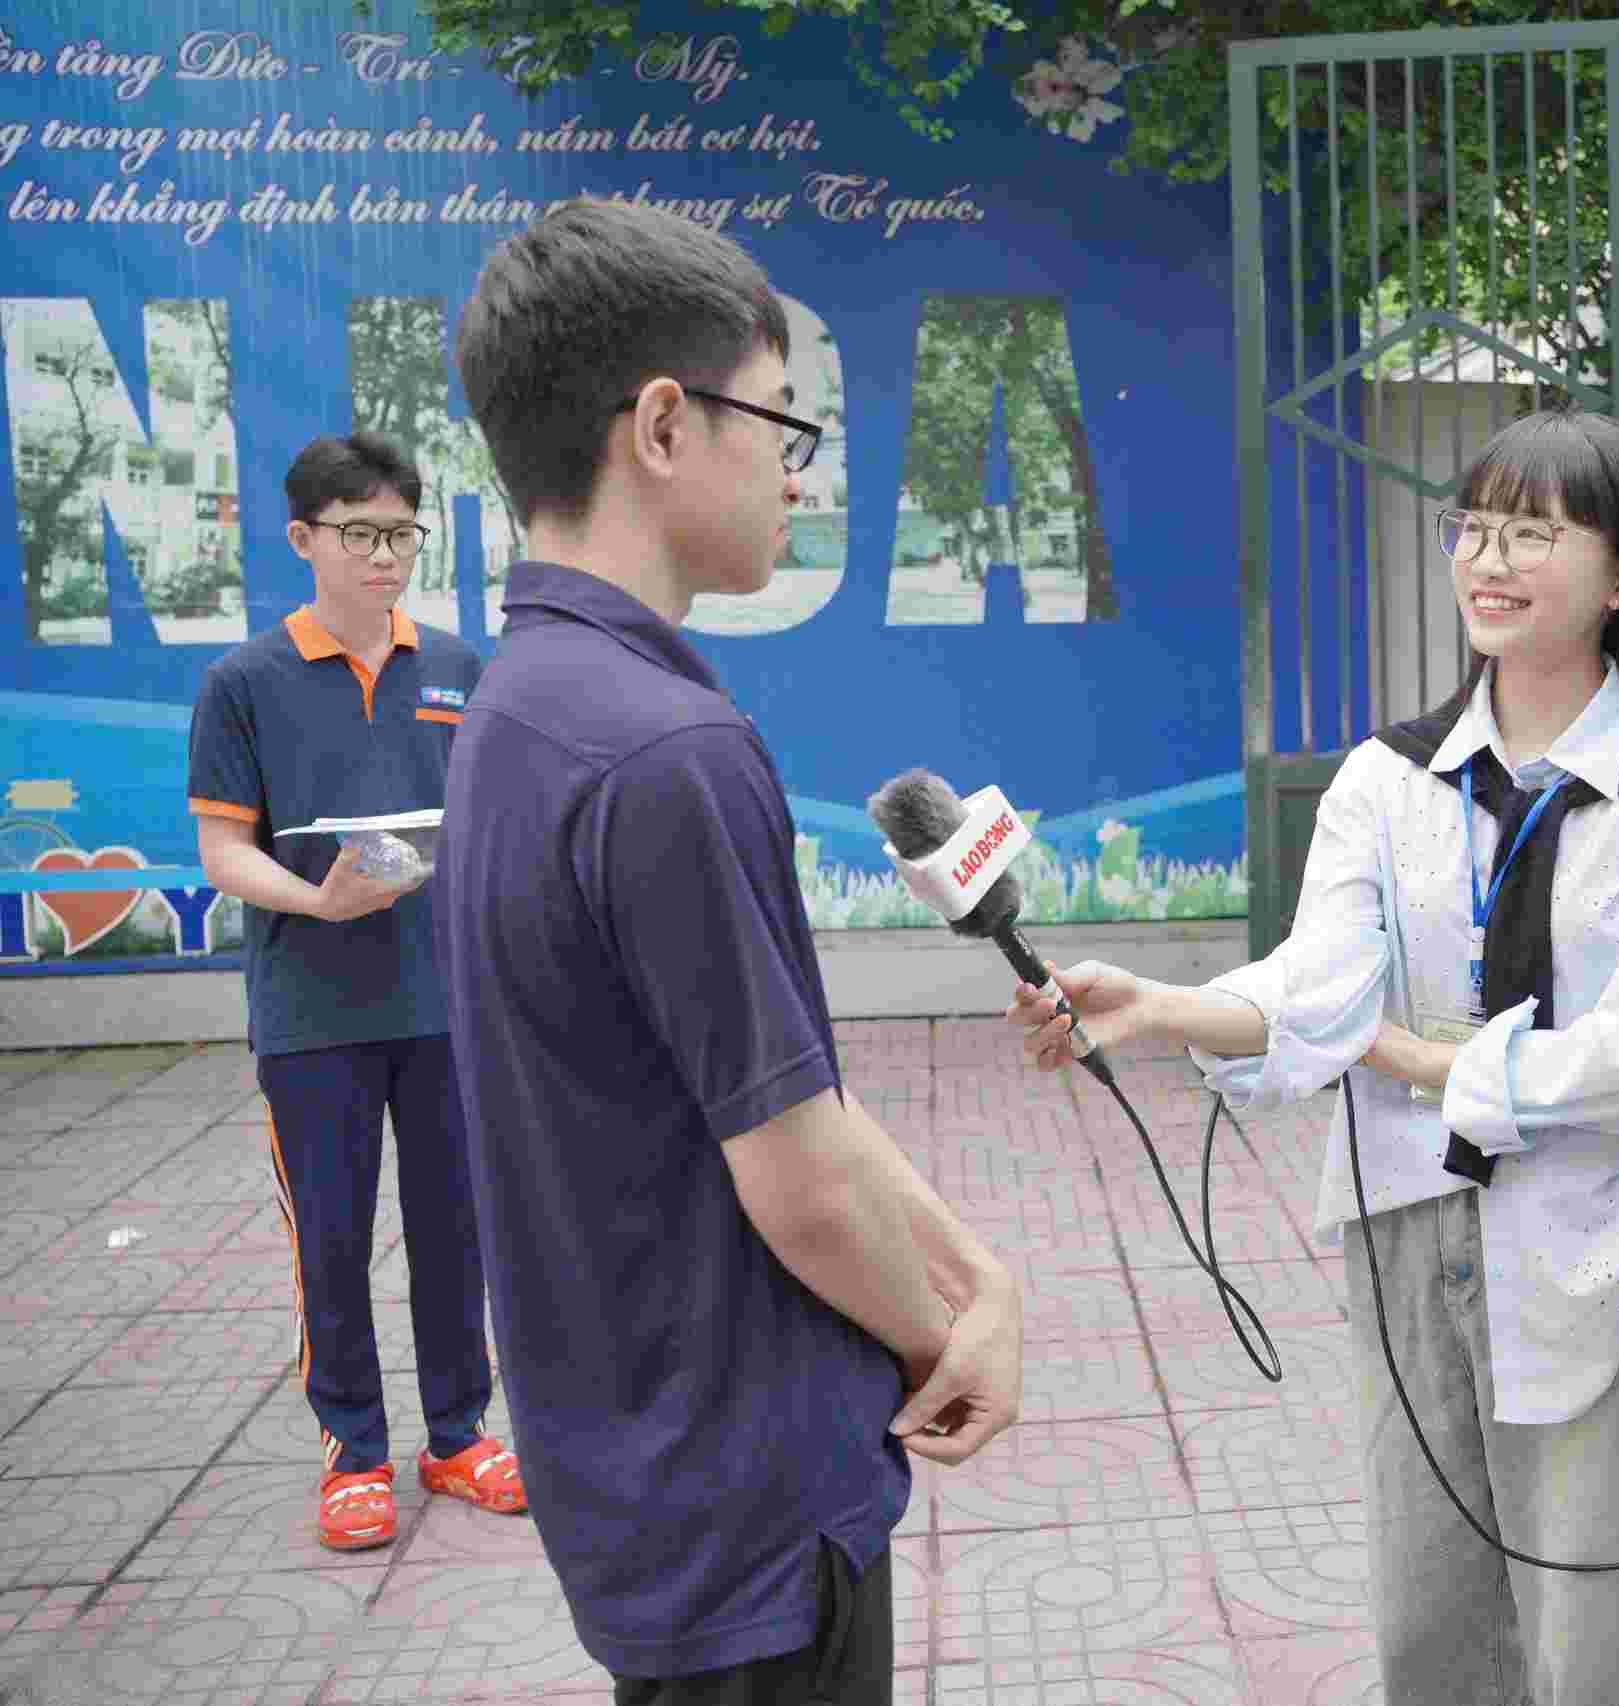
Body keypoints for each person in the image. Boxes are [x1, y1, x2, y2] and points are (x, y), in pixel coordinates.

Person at [1009, 407, 1619, 1706]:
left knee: (1599, 1642)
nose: (1489, 559)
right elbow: (1320, 984)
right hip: (1409, 1229)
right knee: (1431, 1628)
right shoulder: (1386, 779)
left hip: (1603, 1241)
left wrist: (1415, 1058)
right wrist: (1162, 1006)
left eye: (1534, 532)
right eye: (1474, 526)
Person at [437, 196, 1023, 1705]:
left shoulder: (523, 706)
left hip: (640, 1473)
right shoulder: (666, 751)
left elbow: (775, 1091)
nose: (795, 470)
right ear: (660, 424)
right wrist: (948, 1336)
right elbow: (802, 1181)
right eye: (779, 421)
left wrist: (975, 1274)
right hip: (751, 1502)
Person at [186, 431, 525, 1552]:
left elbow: (491, 823)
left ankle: (459, 1435)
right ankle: (355, 1456)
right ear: (303, 538)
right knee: (330, 1241)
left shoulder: (459, 667)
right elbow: (223, 853)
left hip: (446, 1008)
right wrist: (317, 900)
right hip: (312, 1014)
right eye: (360, 534)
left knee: (455, 1232)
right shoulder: (244, 684)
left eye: (401, 534)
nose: (385, 556)